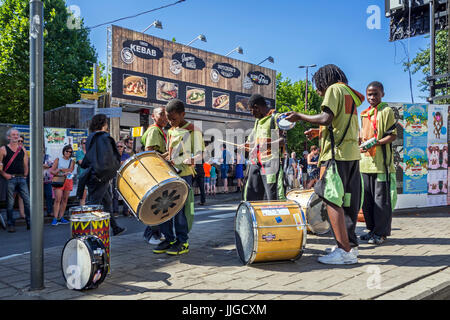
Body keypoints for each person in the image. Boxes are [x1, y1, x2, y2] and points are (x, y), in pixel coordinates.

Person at [285, 64, 364, 265]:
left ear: (324, 80)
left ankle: (344, 251)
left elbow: (326, 118)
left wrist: (299, 116)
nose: (319, 91)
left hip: (336, 156)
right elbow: (338, 123)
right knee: (347, 202)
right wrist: (318, 132)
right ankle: (349, 246)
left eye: (318, 86)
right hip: (351, 155)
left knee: (331, 199)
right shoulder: (349, 93)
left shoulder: (334, 89)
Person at [153, 99, 205, 255]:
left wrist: (193, 159)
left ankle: (182, 241)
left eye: (173, 119)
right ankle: (169, 239)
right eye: (168, 119)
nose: (170, 122)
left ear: (183, 114)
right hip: (169, 174)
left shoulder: (192, 131)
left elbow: (200, 154)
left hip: (185, 175)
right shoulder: (170, 130)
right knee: (165, 207)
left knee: (180, 211)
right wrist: (157, 157)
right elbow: (170, 153)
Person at [359, 81, 397, 245]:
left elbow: (392, 135)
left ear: (382, 94)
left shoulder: (386, 111)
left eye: (375, 94)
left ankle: (381, 234)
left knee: (381, 200)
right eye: (369, 94)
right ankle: (371, 230)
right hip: (365, 163)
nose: (372, 97)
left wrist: (377, 143)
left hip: (381, 164)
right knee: (367, 200)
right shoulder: (364, 113)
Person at [78, 113, 126, 236]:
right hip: (101, 175)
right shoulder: (104, 137)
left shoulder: (91, 137)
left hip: (95, 174)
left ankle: (114, 227)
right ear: (103, 124)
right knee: (93, 204)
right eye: (106, 123)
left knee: (107, 201)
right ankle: (86, 231)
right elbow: (108, 158)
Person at [240, 94, 285, 201]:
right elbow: (252, 139)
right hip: (255, 162)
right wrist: (247, 145)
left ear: (257, 107)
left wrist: (264, 145)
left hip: (270, 163)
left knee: (272, 196)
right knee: (251, 193)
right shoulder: (257, 121)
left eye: (251, 110)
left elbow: (283, 140)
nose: (252, 114)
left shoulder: (275, 118)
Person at [141, 107, 168, 245]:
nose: (165, 118)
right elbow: (149, 152)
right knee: (157, 205)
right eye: (161, 114)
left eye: (166, 115)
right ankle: (150, 234)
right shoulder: (153, 130)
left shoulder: (159, 130)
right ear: (153, 116)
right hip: (155, 172)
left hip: (159, 172)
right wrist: (167, 155)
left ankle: (156, 233)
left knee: (161, 205)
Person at [0, 129, 31, 232]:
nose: (15, 136)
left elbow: (25, 164)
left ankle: (29, 222)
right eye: (13, 135)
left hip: (22, 178)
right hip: (10, 179)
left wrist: (26, 174)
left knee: (27, 201)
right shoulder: (3, 149)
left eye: (17, 135)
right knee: (10, 203)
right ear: (8, 137)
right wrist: (5, 174)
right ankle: (10, 224)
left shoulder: (22, 149)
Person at [50, 144, 75, 226]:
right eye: (67, 151)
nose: (68, 153)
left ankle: (61, 217)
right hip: (59, 180)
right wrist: (60, 170)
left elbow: (70, 170)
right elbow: (52, 171)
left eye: (70, 152)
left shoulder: (72, 161)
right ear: (63, 151)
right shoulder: (58, 159)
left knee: (65, 200)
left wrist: (61, 170)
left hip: (68, 180)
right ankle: (55, 218)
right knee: (58, 199)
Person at [112, 140, 130, 217]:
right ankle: (115, 211)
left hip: (125, 176)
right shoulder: (113, 155)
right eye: (118, 146)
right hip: (115, 175)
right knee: (115, 195)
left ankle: (125, 211)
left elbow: (129, 164)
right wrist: (121, 163)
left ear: (124, 148)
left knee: (125, 195)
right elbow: (114, 165)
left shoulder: (127, 155)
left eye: (121, 146)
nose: (119, 148)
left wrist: (120, 163)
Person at [75, 138, 88, 206]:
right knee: (83, 197)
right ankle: (83, 213)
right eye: (84, 143)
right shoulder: (79, 152)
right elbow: (81, 163)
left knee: (92, 197)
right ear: (81, 144)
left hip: (91, 177)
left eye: (87, 143)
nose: (85, 144)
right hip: (83, 176)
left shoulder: (91, 152)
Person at [43, 148, 54, 217]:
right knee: (38, 197)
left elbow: (50, 165)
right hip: (37, 181)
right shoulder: (33, 155)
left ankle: (49, 211)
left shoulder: (47, 156)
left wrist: (43, 165)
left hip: (47, 179)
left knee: (49, 195)